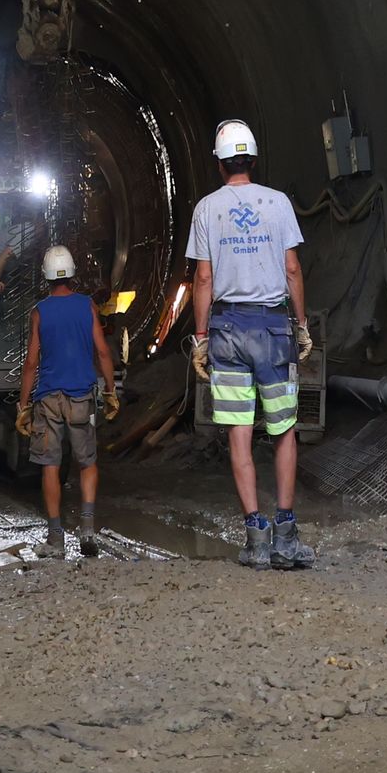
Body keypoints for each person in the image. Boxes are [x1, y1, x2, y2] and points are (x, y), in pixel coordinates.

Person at [154, 118, 312, 569]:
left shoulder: (207, 209)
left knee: (239, 434)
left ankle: (256, 539)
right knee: (283, 430)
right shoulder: (277, 203)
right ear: (254, 160)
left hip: (227, 330)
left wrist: (201, 338)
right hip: (271, 330)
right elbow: (293, 270)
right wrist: (300, 324)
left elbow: (202, 276)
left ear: (219, 164)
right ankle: (286, 534)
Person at [11, 244, 116, 560]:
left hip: (48, 400)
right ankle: (87, 530)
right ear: (72, 273)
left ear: (45, 277)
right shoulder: (87, 307)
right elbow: (102, 352)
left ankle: (55, 540)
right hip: (81, 396)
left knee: (50, 466)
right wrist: (110, 389)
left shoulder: (39, 311)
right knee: (87, 463)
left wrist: (23, 404)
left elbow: (31, 362)